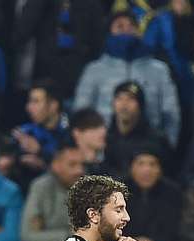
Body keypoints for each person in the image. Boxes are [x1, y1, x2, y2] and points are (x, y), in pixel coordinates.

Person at [73, 9, 181, 146]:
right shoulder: (94, 69)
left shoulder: (159, 69)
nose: (126, 30)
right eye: (120, 26)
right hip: (104, 145)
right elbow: (82, 113)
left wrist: (166, 147)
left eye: (131, 26)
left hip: (147, 146)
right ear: (109, 32)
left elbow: (171, 113)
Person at [13, 0, 105, 101]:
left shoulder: (91, 4)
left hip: (69, 72)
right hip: (50, 71)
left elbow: (98, 42)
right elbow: (23, 31)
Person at [21, 143, 85, 241]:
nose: (79, 170)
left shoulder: (90, 189)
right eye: (72, 165)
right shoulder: (41, 187)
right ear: (56, 165)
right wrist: (70, 236)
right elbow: (29, 236)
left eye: (82, 165)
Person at [104, 81, 173, 179]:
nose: (124, 105)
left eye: (130, 99)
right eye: (119, 98)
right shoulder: (104, 139)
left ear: (140, 105)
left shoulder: (156, 140)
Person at [124, 147, 182, 241]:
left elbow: (176, 227)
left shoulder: (172, 193)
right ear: (131, 168)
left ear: (160, 169)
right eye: (141, 163)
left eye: (152, 164)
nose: (147, 170)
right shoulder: (119, 192)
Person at [12, 80, 71, 178]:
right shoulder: (26, 131)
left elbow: (71, 165)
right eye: (29, 101)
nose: (28, 107)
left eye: (35, 102)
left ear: (53, 105)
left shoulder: (72, 131)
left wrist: (40, 152)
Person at [69, 108, 108, 175]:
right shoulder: (69, 169)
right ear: (77, 133)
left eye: (103, 127)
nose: (103, 132)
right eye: (94, 128)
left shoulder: (107, 168)